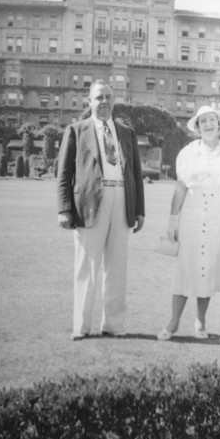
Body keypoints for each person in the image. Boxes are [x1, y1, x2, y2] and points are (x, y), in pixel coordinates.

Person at [57, 79, 145, 340]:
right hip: (89, 204)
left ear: (113, 100)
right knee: (86, 268)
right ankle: (81, 327)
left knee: (117, 267)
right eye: (99, 97)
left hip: (122, 199)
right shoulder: (76, 130)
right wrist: (64, 209)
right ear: (89, 101)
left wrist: (139, 210)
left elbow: (136, 174)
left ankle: (114, 325)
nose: (104, 102)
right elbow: (64, 174)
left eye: (108, 97)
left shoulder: (126, 132)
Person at [157, 105, 220, 341]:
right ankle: (173, 322)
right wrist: (172, 219)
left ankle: (201, 322)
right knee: (185, 269)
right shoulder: (188, 152)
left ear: (219, 124)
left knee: (207, 269)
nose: (208, 125)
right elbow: (180, 187)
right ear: (197, 127)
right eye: (203, 122)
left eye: (212, 120)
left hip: (218, 218)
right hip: (191, 216)